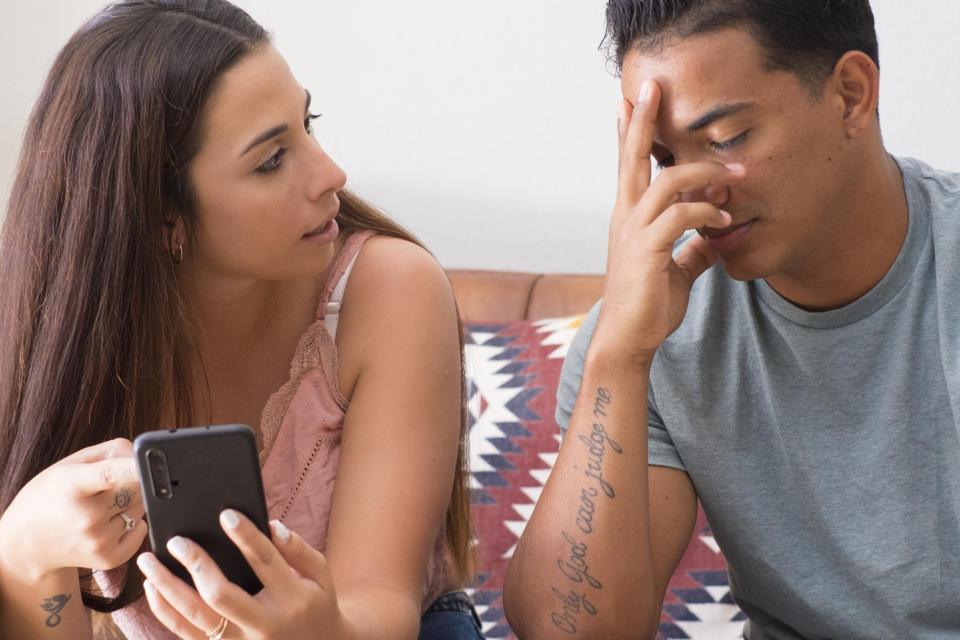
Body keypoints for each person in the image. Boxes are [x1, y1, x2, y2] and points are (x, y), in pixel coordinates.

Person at [0, 1, 482, 639]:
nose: (331, 173)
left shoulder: (388, 291)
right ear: (162, 217)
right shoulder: (42, 339)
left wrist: (320, 631)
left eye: (306, 123)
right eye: (271, 160)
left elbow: (381, 602)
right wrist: (25, 555)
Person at [503, 1, 960, 638]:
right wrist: (618, 358)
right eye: (666, 160)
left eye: (723, 141)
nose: (692, 193)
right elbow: (568, 632)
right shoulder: (651, 326)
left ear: (851, 95)